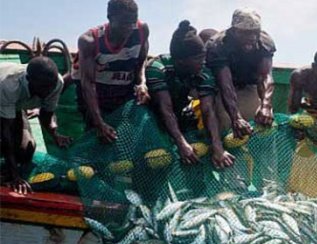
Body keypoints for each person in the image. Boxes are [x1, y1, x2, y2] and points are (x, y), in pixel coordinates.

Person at [146, 21, 235, 169]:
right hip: (153, 118)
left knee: (197, 148)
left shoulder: (203, 70)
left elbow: (208, 110)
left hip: (181, 113)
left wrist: (217, 146)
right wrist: (181, 143)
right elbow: (165, 110)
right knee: (157, 160)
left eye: (203, 56)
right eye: (198, 58)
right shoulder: (157, 68)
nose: (203, 62)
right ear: (181, 61)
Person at [71, 0, 150, 143]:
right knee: (99, 138)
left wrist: (142, 83)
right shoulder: (89, 40)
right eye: (123, 23)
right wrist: (99, 122)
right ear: (109, 17)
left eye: (132, 22)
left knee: (128, 136)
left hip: (122, 91)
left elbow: (140, 63)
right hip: (95, 95)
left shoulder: (142, 30)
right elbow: (88, 84)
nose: (128, 28)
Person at [0, 57, 72, 194]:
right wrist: (16, 176)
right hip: (2, 98)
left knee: (26, 149)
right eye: (44, 87)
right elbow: (6, 132)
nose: (48, 91)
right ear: (29, 79)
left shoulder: (56, 83)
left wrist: (55, 135)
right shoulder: (9, 85)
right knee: (7, 142)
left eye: (51, 86)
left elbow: (46, 114)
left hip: (13, 107)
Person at [205, 8, 276, 138]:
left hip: (251, 88)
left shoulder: (264, 42)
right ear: (233, 31)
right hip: (224, 92)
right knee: (229, 131)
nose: (252, 38)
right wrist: (235, 117)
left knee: (264, 128)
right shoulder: (218, 45)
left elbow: (265, 76)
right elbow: (225, 84)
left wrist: (265, 105)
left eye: (255, 33)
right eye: (246, 33)